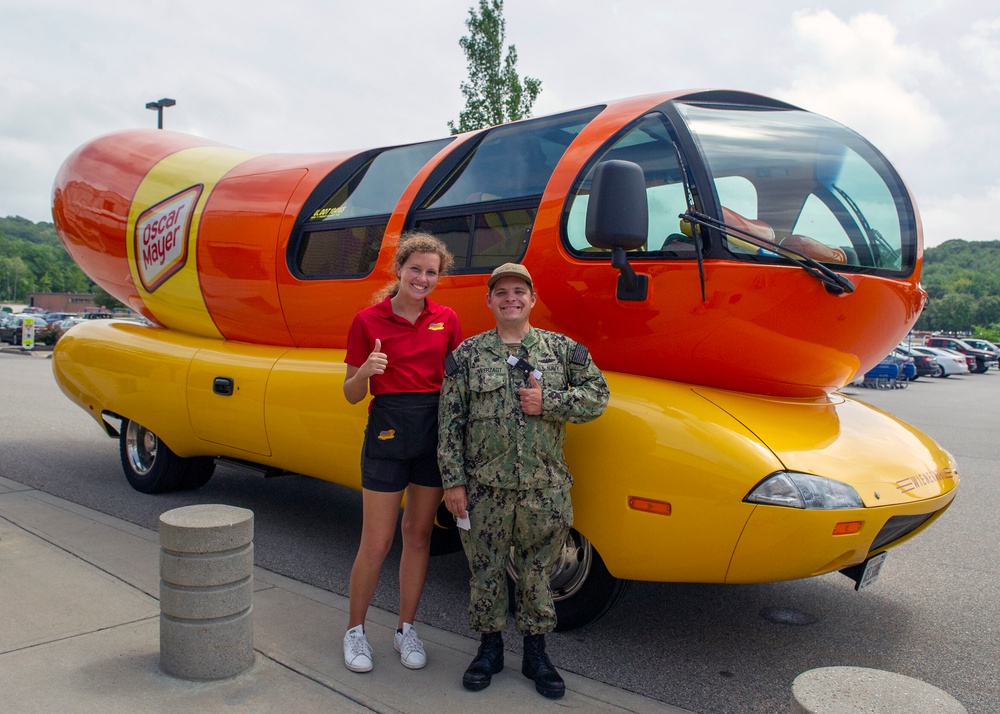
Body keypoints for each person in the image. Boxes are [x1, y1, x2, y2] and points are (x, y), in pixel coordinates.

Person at [437, 262, 609, 699]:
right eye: (501, 292)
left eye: (519, 291)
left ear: (532, 299)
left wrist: (547, 400)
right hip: (484, 489)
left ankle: (536, 653)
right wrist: (453, 483)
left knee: (537, 573)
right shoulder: (467, 356)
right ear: (490, 301)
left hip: (543, 490)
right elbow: (449, 423)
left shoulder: (563, 351)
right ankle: (489, 649)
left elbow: (598, 397)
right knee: (486, 571)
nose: (510, 298)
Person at [341, 231, 461, 673]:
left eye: (432, 272)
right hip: (388, 431)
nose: (423, 278)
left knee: (418, 536)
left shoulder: (446, 319)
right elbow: (352, 394)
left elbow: (454, 385)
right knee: (377, 541)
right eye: (416, 269)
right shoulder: (367, 321)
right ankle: (355, 631)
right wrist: (366, 372)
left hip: (432, 433)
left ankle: (405, 629)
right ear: (399, 270)